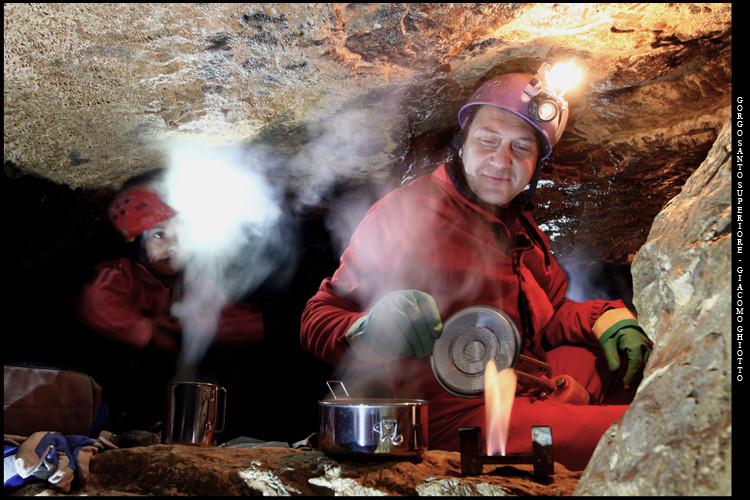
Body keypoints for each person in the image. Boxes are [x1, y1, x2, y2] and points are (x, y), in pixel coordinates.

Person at [300, 65, 653, 471]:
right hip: (458, 418)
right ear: (462, 144)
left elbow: (551, 317)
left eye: (522, 148)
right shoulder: (406, 215)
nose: (501, 161)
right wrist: (367, 328)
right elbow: (319, 315)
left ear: (536, 165)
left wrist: (607, 318)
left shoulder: (522, 229)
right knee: (643, 427)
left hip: (525, 383)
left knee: (636, 370)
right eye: (488, 141)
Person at [76, 180, 264, 434]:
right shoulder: (122, 273)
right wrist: (151, 332)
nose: (173, 246)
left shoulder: (196, 283)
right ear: (137, 241)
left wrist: (191, 324)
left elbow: (249, 324)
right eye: (159, 234)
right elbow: (96, 306)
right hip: (122, 388)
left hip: (181, 392)